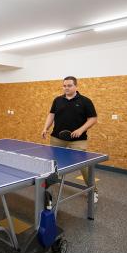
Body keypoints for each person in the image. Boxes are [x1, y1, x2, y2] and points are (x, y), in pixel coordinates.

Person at [41, 76, 98, 207]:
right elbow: (51, 115)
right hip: (57, 138)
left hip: (77, 140)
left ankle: (93, 190)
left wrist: (81, 129)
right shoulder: (58, 100)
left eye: (69, 85)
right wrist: (46, 128)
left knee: (83, 166)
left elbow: (93, 119)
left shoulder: (85, 101)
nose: (66, 88)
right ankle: (50, 182)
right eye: (64, 86)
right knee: (53, 163)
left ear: (76, 86)